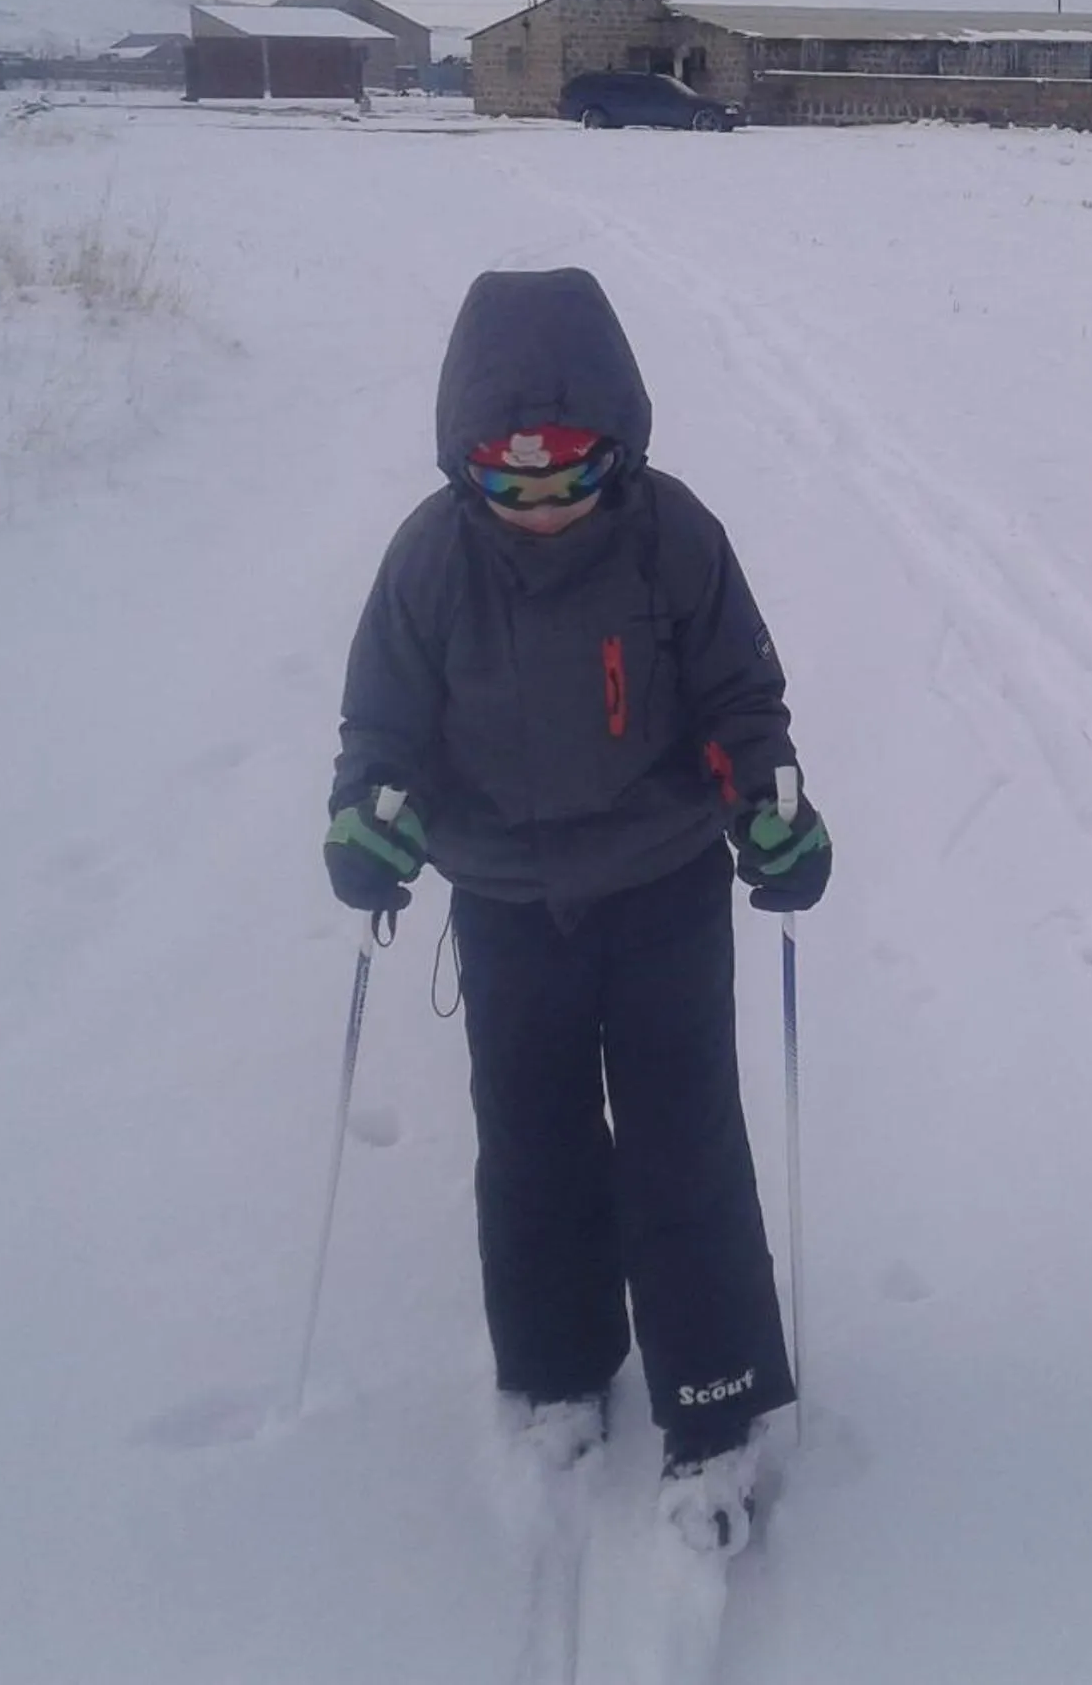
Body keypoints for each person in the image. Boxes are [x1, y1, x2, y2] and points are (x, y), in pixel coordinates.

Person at [321, 267, 831, 1554]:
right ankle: (556, 1369)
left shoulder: (673, 537)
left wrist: (766, 808)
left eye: (568, 479)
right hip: (502, 898)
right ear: (464, 466)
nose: (541, 507)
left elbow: (740, 703)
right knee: (533, 1136)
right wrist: (374, 808)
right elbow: (383, 725)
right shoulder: (429, 560)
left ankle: (710, 1402)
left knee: (682, 1137)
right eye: (508, 482)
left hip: (661, 884)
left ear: (620, 447)